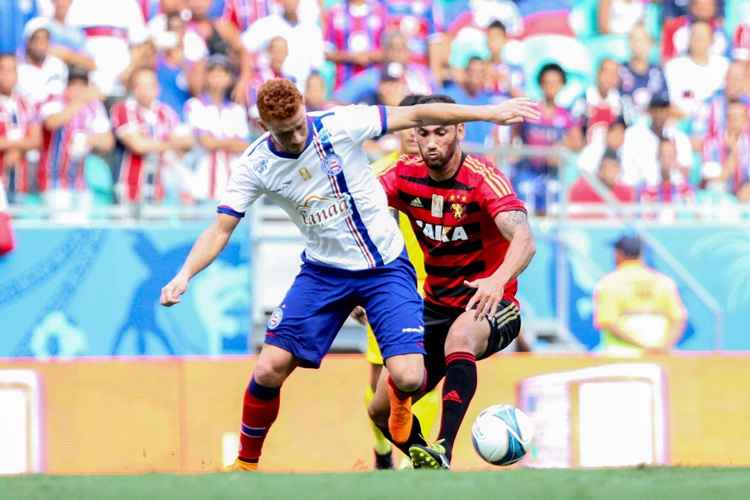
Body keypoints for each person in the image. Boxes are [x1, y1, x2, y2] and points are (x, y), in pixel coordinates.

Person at [159, 79, 539, 471]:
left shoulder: (342, 125)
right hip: (334, 275)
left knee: (421, 367)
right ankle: (247, 465)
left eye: (297, 125)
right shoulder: (260, 165)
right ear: (262, 126)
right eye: (283, 132)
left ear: (304, 109)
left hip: (427, 283)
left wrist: (489, 113)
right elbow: (221, 227)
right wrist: (185, 274)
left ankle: (441, 447)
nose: (294, 138)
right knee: (295, 376)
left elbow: (523, 237)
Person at [370, 94, 536, 470]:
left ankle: (445, 445)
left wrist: (497, 280)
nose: (431, 142)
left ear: (459, 131)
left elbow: (524, 239)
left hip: (494, 305)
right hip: (434, 307)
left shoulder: (482, 178)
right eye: (423, 133)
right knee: (380, 408)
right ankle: (427, 457)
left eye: (441, 132)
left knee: (460, 337)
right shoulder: (402, 175)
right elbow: (355, 212)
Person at [359, 94, 440, 470]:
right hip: (389, 288)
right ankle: (381, 448)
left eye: (420, 128)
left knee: (426, 375)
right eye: (408, 126)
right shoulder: (377, 175)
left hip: (436, 289)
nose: (414, 135)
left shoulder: (441, 172)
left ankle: (415, 454)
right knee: (381, 378)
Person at [111, 67, 193, 206]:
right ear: (133, 88)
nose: (145, 90)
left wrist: (153, 143)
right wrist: (170, 143)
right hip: (130, 191)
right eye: (140, 85)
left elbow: (187, 143)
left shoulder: (166, 112)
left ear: (157, 88)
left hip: (161, 192)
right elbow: (138, 145)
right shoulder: (123, 109)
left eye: (149, 85)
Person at [593, 235, 687, 356]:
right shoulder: (663, 281)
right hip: (660, 353)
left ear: (618, 254)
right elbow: (678, 319)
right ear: (641, 255)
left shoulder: (609, 283)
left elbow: (608, 321)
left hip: (620, 353)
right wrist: (663, 346)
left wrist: (643, 346)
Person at [37, 66, 114, 211]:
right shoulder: (54, 101)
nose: (77, 89)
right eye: (73, 84)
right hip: (54, 182)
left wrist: (88, 139)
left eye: (82, 84)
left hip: (81, 182)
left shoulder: (93, 107)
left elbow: (108, 141)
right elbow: (52, 122)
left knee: (81, 229)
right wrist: (80, 101)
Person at [512, 63, 583, 214]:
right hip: (528, 173)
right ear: (541, 84)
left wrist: (562, 147)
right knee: (524, 215)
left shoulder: (567, 115)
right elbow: (514, 134)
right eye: (547, 82)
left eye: (555, 82)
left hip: (552, 175)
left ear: (562, 85)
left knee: (551, 216)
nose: (551, 86)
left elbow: (577, 142)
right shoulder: (529, 111)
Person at [184, 55, 250, 202]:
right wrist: (230, 141)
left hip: (232, 187)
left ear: (230, 78)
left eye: (222, 73)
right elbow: (206, 142)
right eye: (213, 72)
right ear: (206, 77)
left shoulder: (237, 110)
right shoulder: (195, 105)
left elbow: (244, 146)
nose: (218, 77)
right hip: (201, 185)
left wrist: (217, 141)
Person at [621, 94, 692, 187]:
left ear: (668, 112)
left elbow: (685, 169)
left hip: (671, 192)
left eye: (663, 110)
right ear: (649, 111)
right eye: (656, 110)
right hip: (641, 191)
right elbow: (627, 168)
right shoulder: (633, 135)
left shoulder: (680, 137)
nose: (659, 114)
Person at [664, 20, 729, 118]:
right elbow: (667, 101)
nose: (699, 41)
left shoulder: (724, 66)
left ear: (712, 40)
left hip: (717, 124)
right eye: (695, 37)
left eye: (703, 38)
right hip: (682, 123)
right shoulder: (674, 67)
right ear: (689, 40)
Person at [0, 53, 41, 202]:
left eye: (11, 70)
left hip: (23, 185)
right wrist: (21, 144)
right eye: (2, 70)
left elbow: (36, 140)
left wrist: (14, 148)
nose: (6, 75)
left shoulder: (27, 104)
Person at [323, 0, 387, 91]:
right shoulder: (335, 12)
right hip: (344, 85)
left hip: (374, 85)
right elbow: (327, 52)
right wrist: (352, 57)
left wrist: (369, 56)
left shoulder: (378, 11)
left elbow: (390, 50)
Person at [619, 25, 668, 125]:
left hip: (653, 127)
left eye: (641, 40)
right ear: (629, 43)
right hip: (626, 127)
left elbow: (664, 104)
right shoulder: (620, 71)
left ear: (649, 43)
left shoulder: (657, 73)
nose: (638, 44)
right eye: (634, 40)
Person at [18, 18, 68, 107]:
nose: (41, 44)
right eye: (37, 39)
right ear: (28, 42)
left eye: (45, 39)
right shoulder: (18, 70)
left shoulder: (58, 65)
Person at [569, 148, 634, 206]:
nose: (611, 171)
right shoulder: (581, 188)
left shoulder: (625, 192)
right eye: (606, 167)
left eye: (614, 166)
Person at [639, 139, 695, 205]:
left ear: (675, 157)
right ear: (658, 157)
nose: (666, 161)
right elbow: (645, 212)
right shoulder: (648, 190)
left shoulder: (686, 190)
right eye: (663, 156)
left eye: (670, 156)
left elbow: (689, 212)